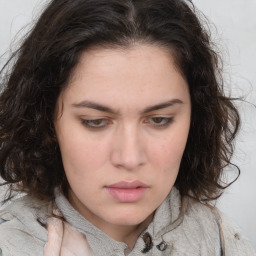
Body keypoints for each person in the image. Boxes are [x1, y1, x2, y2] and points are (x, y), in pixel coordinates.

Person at [0, 0, 254, 255]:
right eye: (95, 122)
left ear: (196, 118)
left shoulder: (221, 240)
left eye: (159, 120)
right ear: (45, 120)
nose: (129, 158)